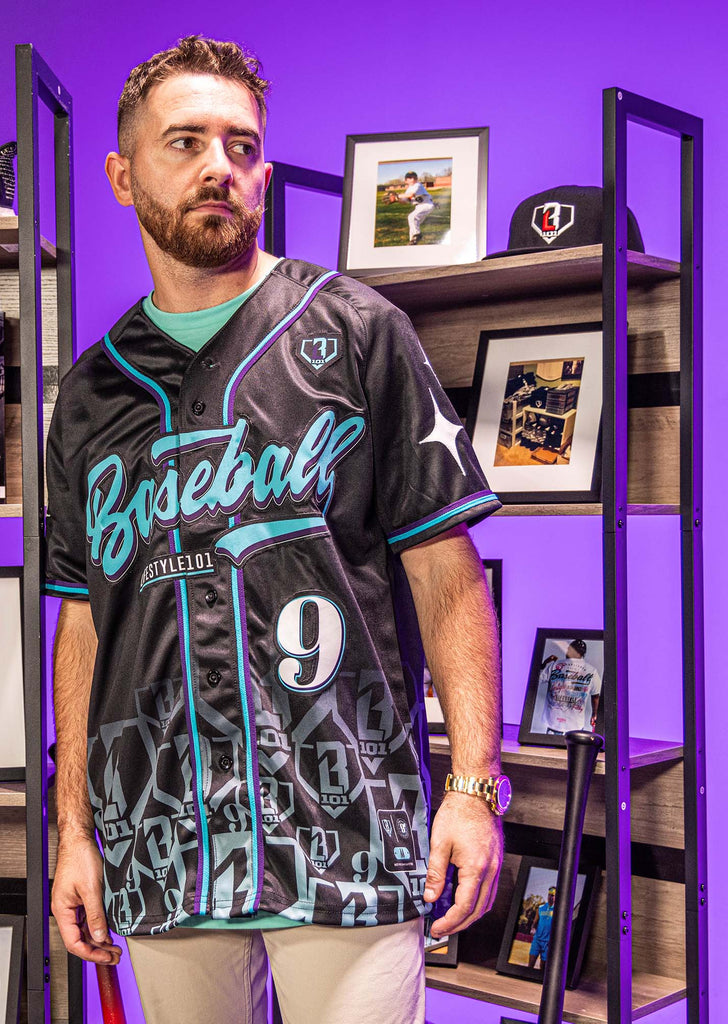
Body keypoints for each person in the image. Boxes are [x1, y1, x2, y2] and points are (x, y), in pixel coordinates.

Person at [45, 36, 505, 1024]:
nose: (221, 165)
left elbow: (446, 573)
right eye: (186, 141)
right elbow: (84, 621)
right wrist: (73, 826)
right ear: (123, 176)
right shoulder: (88, 394)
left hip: (344, 810)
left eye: (240, 144)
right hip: (161, 829)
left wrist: (472, 785)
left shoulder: (355, 331)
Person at [538, 639, 602, 734]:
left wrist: (544, 663)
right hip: (575, 725)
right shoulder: (592, 671)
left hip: (553, 722)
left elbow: (537, 679)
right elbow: (596, 695)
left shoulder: (555, 665)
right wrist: (594, 714)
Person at [394, 170, 435, 244]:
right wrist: (396, 199)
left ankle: (417, 235)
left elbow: (411, 195)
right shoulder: (408, 190)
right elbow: (404, 201)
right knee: (413, 224)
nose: (413, 179)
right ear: (406, 180)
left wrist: (397, 196)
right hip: (419, 207)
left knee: (411, 217)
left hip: (426, 205)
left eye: (414, 177)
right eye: (410, 178)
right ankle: (412, 242)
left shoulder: (417, 185)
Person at [527, 886, 557, 969]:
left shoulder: (558, 910)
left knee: (543, 968)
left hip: (548, 943)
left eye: (553, 895)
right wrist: (533, 929)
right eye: (549, 895)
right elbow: (535, 923)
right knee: (530, 965)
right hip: (537, 940)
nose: (550, 897)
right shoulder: (540, 908)